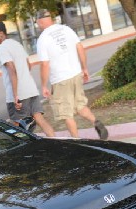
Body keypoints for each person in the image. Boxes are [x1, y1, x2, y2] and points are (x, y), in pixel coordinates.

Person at [35, 9, 109, 140]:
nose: (38, 26)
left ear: (40, 21)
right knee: (80, 105)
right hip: (75, 74)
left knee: (66, 113)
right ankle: (96, 122)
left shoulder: (43, 39)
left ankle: (76, 141)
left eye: (37, 23)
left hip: (60, 79)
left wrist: (44, 85)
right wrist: (84, 68)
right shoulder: (66, 29)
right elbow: (80, 47)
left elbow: (44, 64)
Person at [0, 21, 55, 137]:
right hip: (31, 90)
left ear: (1, 33)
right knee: (40, 119)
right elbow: (28, 65)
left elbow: (11, 69)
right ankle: (56, 143)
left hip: (19, 94)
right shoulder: (17, 44)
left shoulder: (2, 48)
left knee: (16, 127)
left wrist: (15, 95)